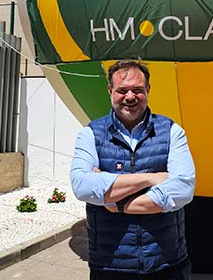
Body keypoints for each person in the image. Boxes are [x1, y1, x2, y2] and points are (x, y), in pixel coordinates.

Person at [70, 59, 196, 279]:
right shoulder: (91, 133)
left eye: (137, 90)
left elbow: (183, 188)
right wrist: (151, 179)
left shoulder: (172, 131)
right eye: (122, 90)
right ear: (110, 91)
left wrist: (116, 203)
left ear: (148, 90)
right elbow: (82, 187)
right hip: (110, 265)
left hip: (166, 263)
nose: (130, 97)